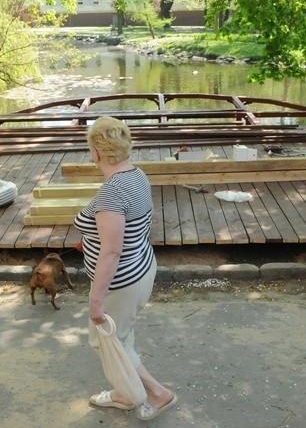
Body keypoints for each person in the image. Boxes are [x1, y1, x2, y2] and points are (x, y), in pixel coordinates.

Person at [74, 116, 177, 421]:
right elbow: (133, 226)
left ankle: (158, 394)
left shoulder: (111, 191)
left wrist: (95, 300)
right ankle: (122, 392)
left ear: (96, 152)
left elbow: (112, 251)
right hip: (142, 267)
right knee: (123, 335)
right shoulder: (136, 175)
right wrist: (92, 236)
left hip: (121, 282)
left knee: (106, 342)